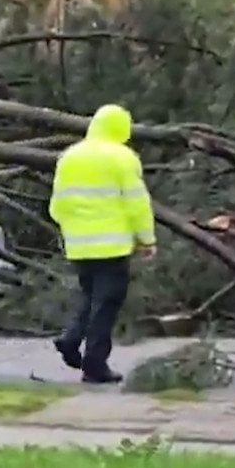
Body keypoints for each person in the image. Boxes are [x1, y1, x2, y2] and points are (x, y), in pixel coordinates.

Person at [48, 103, 156, 384]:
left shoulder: (69, 157)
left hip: (79, 245)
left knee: (89, 295)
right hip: (113, 245)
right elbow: (137, 203)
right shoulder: (123, 157)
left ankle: (71, 338)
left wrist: (71, 230)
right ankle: (95, 365)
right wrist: (146, 239)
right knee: (106, 304)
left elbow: (56, 206)